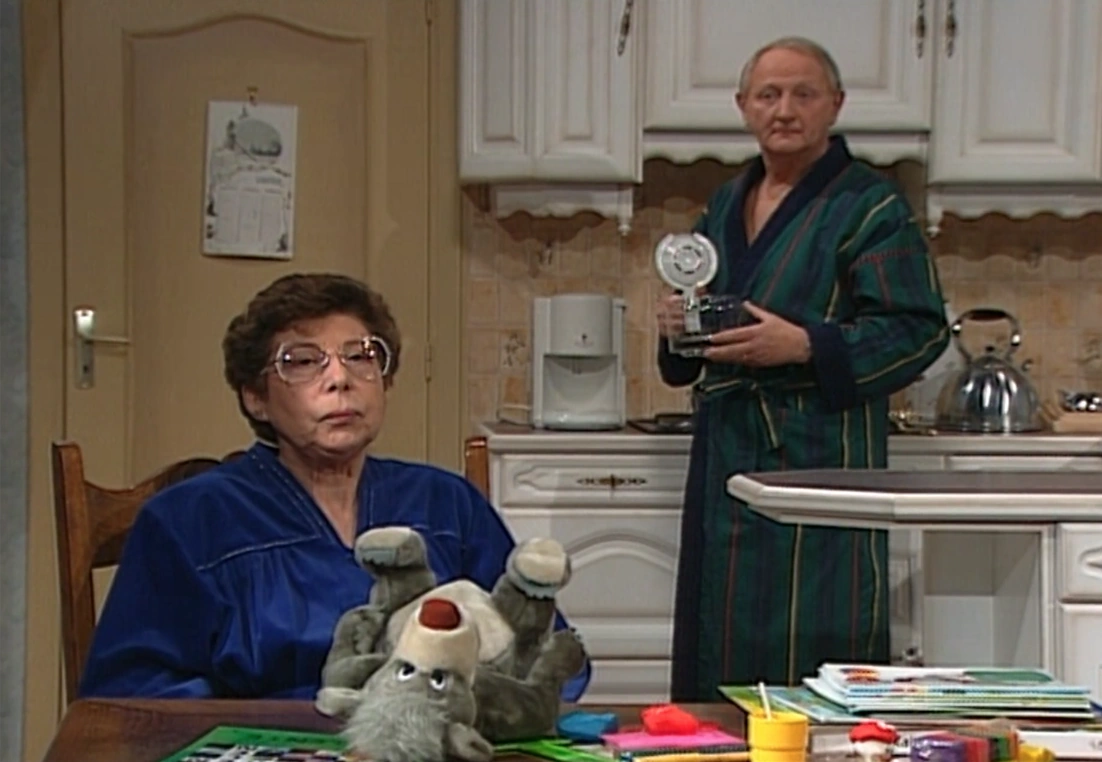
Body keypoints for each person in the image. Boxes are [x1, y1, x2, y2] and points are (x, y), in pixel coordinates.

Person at [80, 272, 591, 701]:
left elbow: (547, 657)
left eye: (361, 356)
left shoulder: (446, 502)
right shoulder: (189, 519)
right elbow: (130, 692)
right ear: (256, 397)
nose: (340, 379)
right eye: (303, 361)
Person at [658, 37, 949, 701]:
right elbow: (701, 317)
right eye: (769, 95)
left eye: (803, 94)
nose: (784, 110)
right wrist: (678, 327)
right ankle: (721, 742)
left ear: (835, 105)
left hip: (820, 456)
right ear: (744, 106)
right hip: (727, 449)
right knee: (719, 620)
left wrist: (806, 345)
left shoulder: (870, 207)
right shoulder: (724, 204)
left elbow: (918, 328)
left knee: (817, 623)